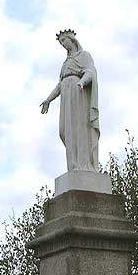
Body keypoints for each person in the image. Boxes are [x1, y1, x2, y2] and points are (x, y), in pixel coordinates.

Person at [40, 30, 100, 172]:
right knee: (65, 130)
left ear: (71, 39)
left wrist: (82, 82)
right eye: (60, 42)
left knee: (79, 127)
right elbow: (60, 85)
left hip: (78, 92)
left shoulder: (84, 55)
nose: (62, 44)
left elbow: (90, 71)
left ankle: (83, 164)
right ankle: (72, 166)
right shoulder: (65, 63)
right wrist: (48, 99)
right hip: (66, 96)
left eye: (64, 40)